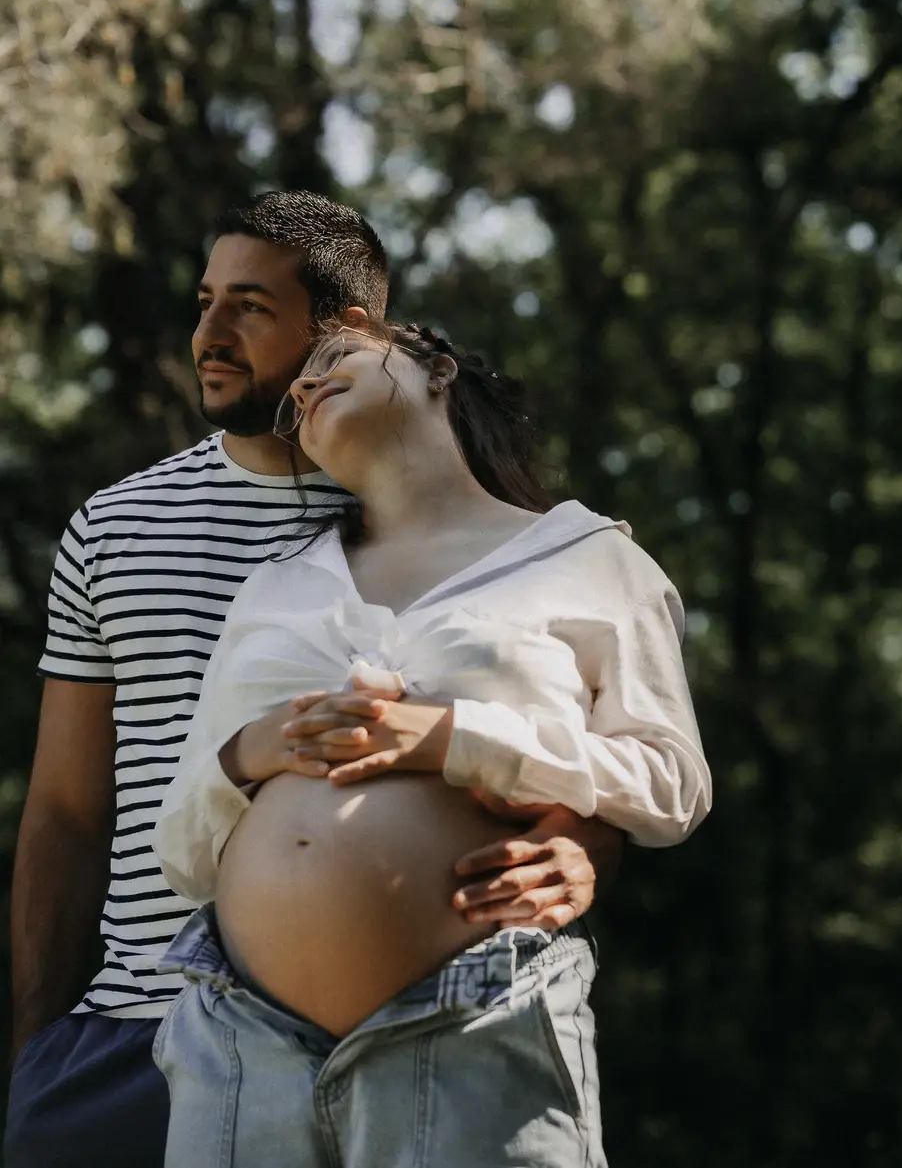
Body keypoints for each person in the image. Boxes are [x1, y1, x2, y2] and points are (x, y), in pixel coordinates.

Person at [5, 194, 624, 1168]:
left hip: (420, 1035)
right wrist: (32, 1050)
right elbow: (66, 811)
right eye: (205, 301)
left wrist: (585, 847)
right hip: (139, 1030)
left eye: (249, 306)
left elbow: (581, 753)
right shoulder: (116, 525)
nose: (209, 334)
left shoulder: (454, 521)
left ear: (351, 330)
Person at [152, 320, 712, 1167]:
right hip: (239, 1039)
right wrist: (254, 750)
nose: (303, 389)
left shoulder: (591, 555)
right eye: (295, 396)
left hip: (477, 1012)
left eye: (334, 359)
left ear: (438, 367)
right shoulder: (273, 583)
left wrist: (457, 737)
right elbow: (181, 848)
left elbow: (669, 782)